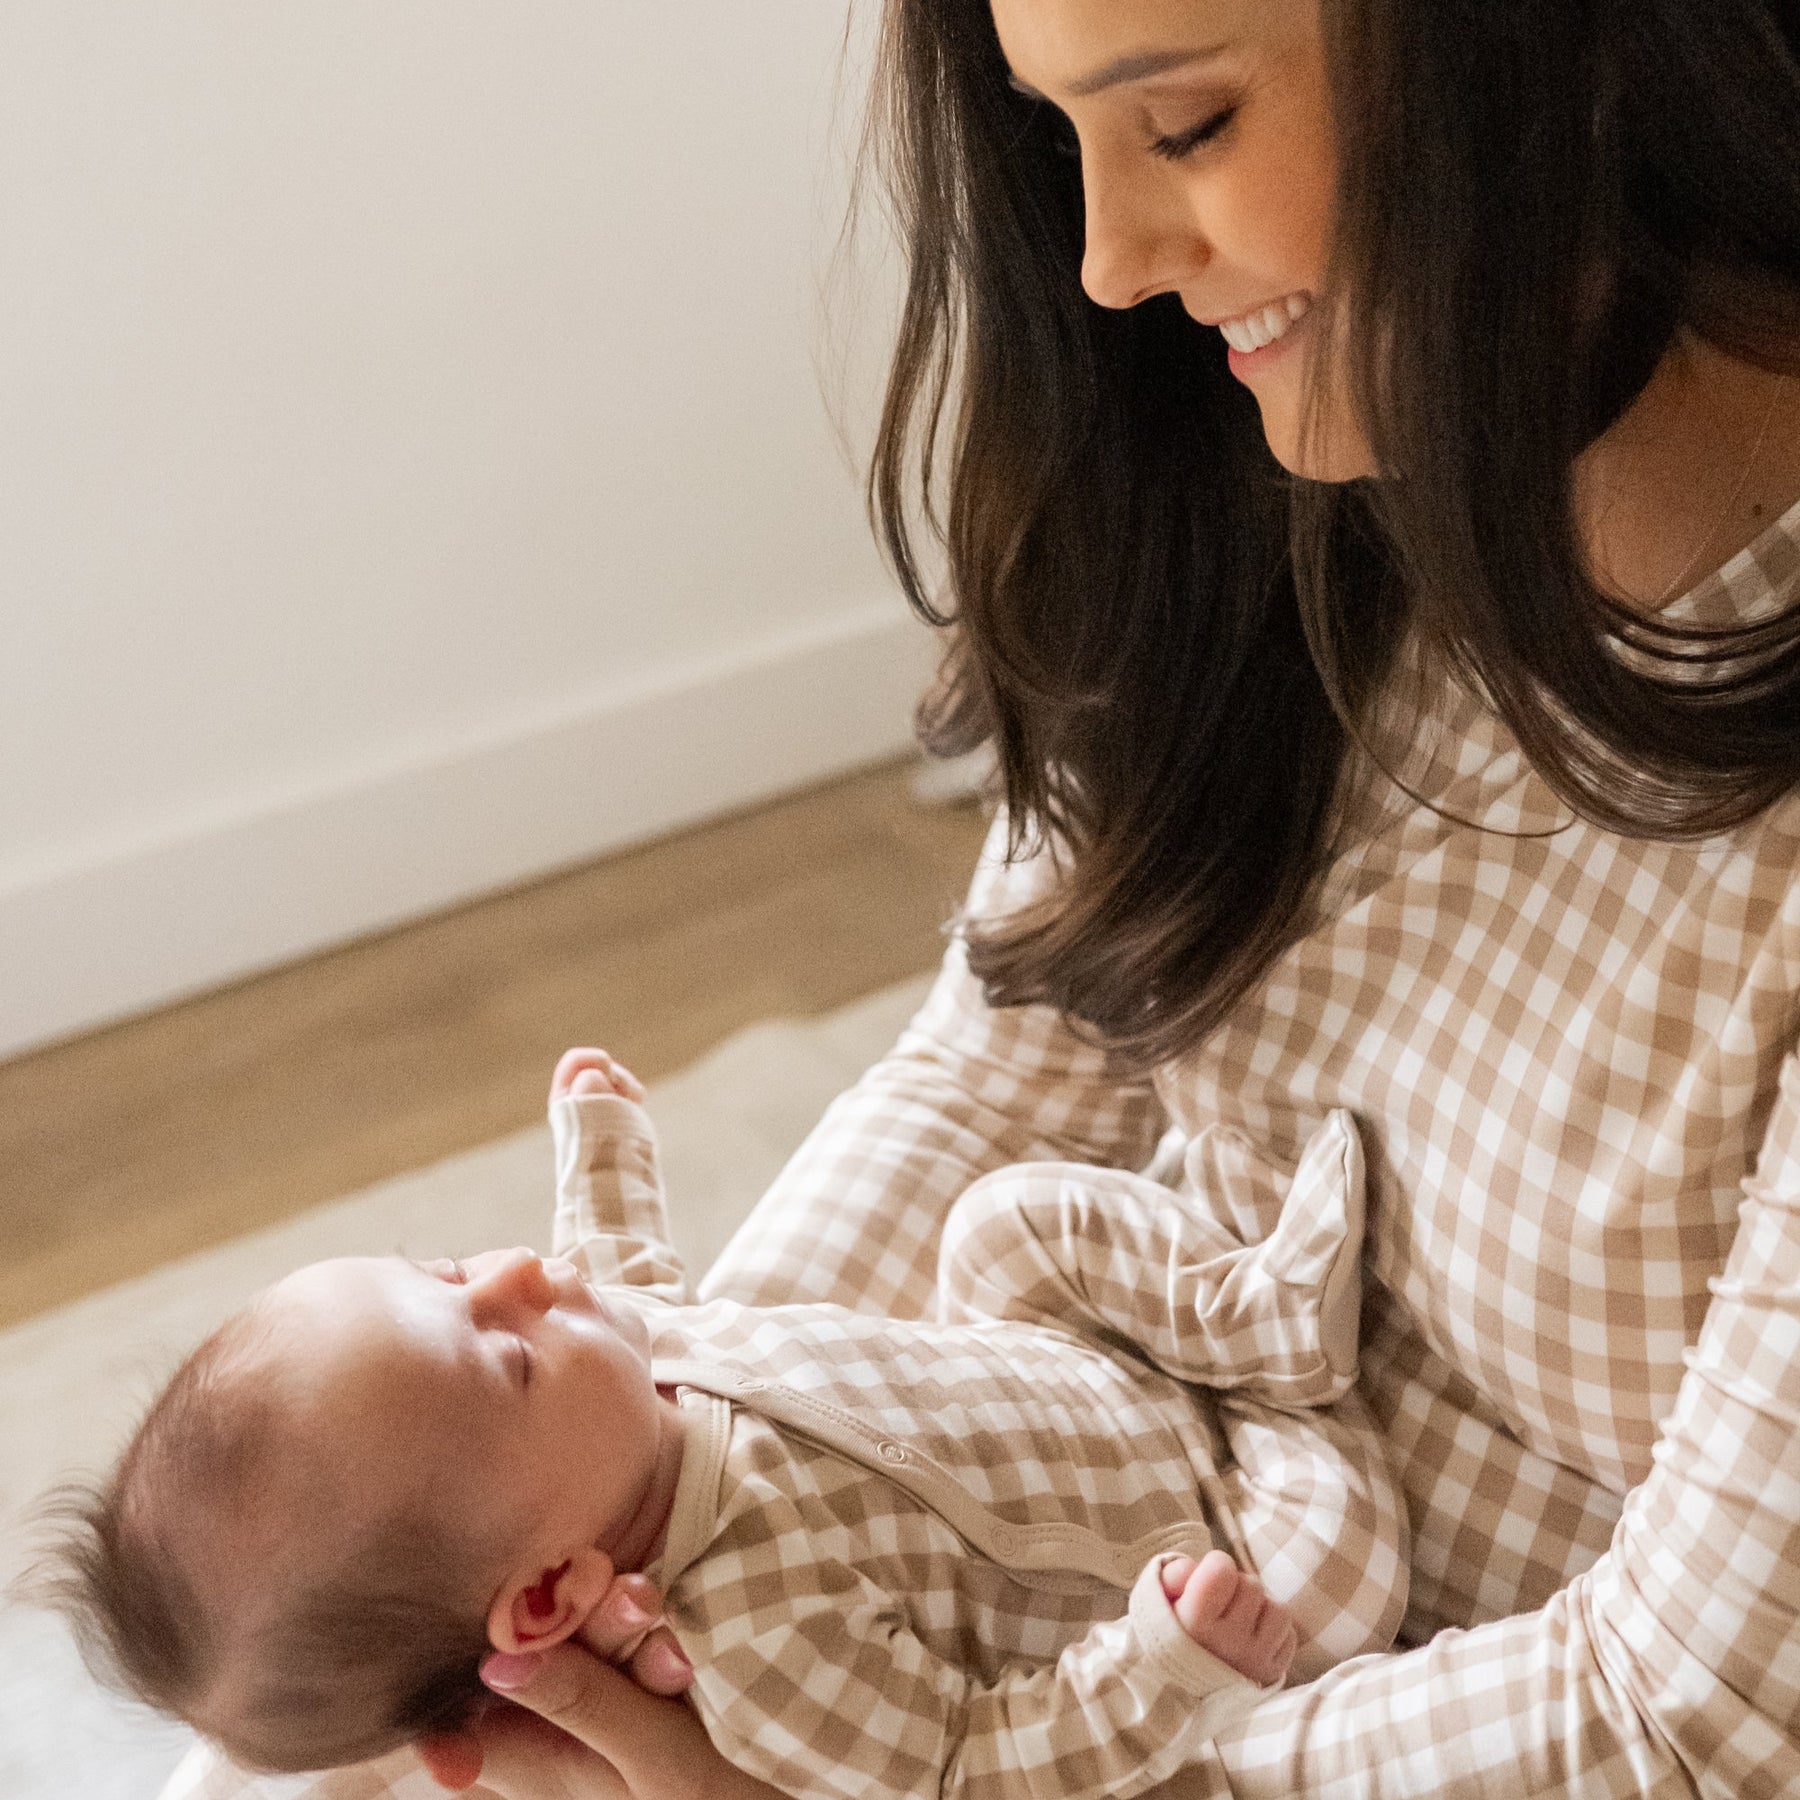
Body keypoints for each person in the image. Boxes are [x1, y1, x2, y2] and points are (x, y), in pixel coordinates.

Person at [156, 0, 1800, 1792]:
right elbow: (1003, 1063)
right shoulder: (1273, 485)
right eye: (1056, 134)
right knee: (320, 1684)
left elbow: (1689, 1719)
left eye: (1180, 127)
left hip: (1368, 1722)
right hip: (1129, 1541)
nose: (1105, 262)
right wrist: (672, 1530)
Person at [56, 1047, 1403, 1796]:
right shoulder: (757, 1651)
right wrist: (1162, 1662)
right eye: (500, 1353)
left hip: (1076, 1367)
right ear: (544, 1605)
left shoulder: (630, 1385)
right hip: (1209, 1537)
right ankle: (1308, 1403)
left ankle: (1263, 1324)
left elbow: (625, 1282)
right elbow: (965, 1766)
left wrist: (603, 1153)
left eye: (450, 1271)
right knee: (1341, 1585)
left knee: (1002, 1222)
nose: (521, 1278)